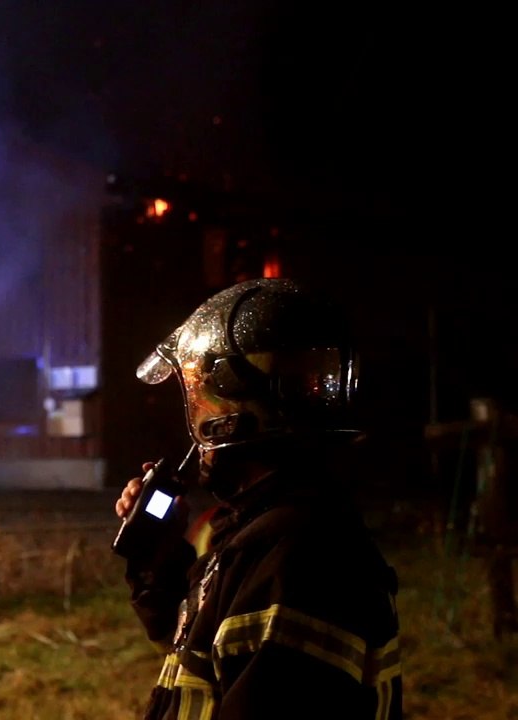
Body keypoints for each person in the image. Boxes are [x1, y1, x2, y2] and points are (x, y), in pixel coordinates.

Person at [113, 277, 402, 719]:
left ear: (232, 414)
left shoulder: (297, 559)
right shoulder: (266, 535)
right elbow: (199, 663)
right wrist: (158, 560)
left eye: (198, 394)